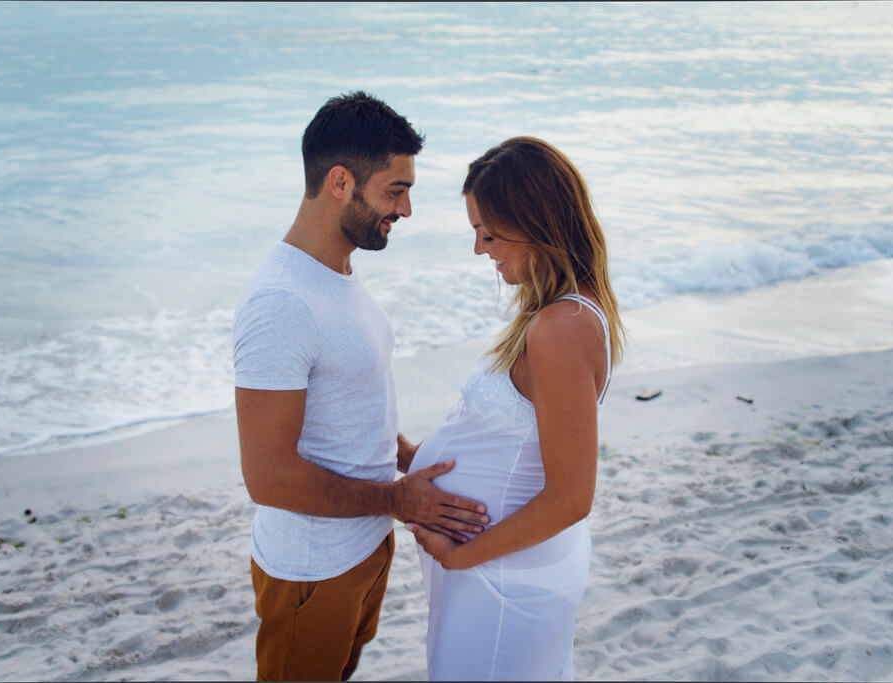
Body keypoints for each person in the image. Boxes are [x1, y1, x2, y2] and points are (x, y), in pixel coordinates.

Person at [232, 91, 490, 682]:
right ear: (341, 182)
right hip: (310, 570)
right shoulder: (281, 302)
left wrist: (405, 457)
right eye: (395, 190)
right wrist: (398, 500)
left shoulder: (338, 274)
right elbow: (267, 476)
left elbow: (346, 400)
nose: (405, 210)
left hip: (364, 549)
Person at [405, 136, 626, 680]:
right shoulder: (558, 314)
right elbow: (514, 443)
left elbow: (572, 496)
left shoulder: (561, 327)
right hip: (500, 570)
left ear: (537, 225)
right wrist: (409, 458)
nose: (481, 249)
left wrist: (459, 557)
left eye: (490, 233)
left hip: (502, 580)